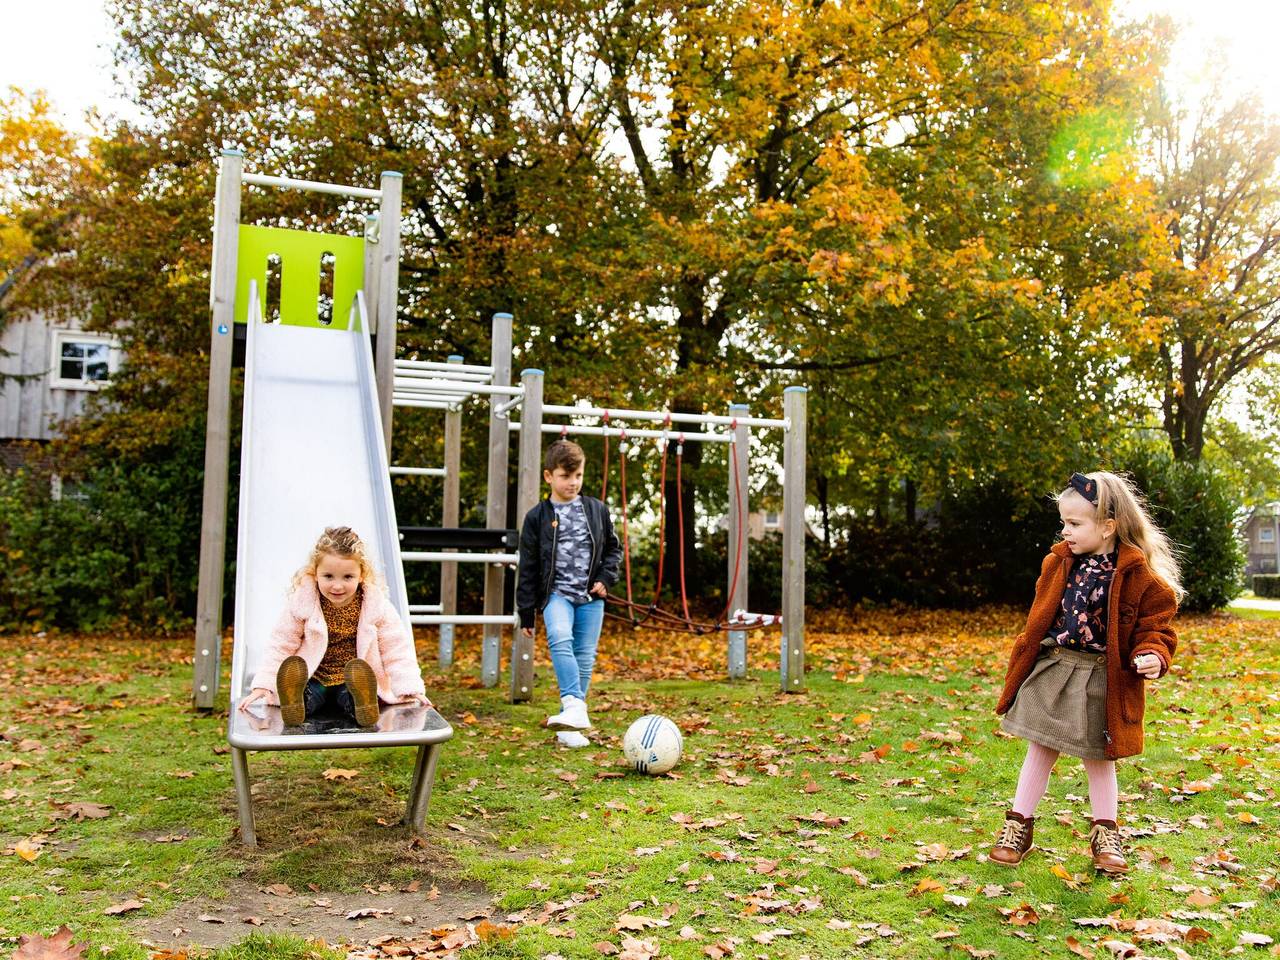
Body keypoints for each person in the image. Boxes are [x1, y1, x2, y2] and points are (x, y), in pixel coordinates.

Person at [992, 472, 1181, 874]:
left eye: (1075, 524)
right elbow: (1043, 615)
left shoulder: (1139, 577)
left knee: (1100, 757)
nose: (1065, 531)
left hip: (1102, 677)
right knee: (1040, 747)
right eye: (1064, 522)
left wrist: (1152, 654)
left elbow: (1156, 628)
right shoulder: (1058, 562)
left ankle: (1106, 834)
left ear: (1109, 526)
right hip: (1056, 667)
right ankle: (1018, 826)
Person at [237, 526, 430, 732]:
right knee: (306, 696)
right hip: (315, 678)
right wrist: (263, 685)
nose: (337, 586)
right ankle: (295, 703)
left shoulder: (376, 606)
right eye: (328, 576)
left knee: (353, 698)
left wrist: (410, 688)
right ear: (315, 573)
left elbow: (396, 648)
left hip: (352, 680)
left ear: (361, 575)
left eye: (347, 577)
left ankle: (362, 705)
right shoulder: (304, 603)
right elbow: (281, 643)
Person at [516, 439, 622, 748]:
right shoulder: (537, 517)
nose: (573, 483)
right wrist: (526, 610)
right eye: (565, 476)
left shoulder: (596, 509)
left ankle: (570, 724)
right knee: (560, 636)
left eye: (577, 476)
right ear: (549, 476)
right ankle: (574, 704)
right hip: (556, 594)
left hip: (590, 597)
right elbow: (529, 566)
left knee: (585, 657)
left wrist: (606, 578)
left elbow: (613, 550)